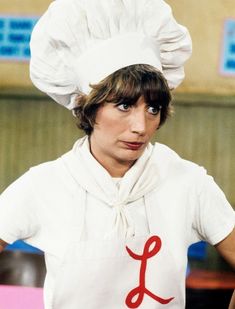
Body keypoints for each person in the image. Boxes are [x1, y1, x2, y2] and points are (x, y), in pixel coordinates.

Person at [0, 0, 235, 308]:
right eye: (124, 106)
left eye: (153, 108)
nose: (141, 126)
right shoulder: (44, 185)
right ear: (88, 106)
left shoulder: (189, 182)